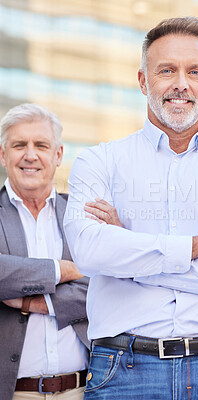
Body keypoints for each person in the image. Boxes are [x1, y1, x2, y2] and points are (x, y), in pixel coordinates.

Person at [64, 17, 198, 399]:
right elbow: (90, 252)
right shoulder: (98, 162)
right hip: (122, 370)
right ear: (143, 81)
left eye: (194, 71)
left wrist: (128, 254)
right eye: (167, 70)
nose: (181, 83)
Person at [0, 103, 90, 400]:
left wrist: (31, 301)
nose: (30, 155)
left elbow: (107, 284)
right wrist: (65, 271)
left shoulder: (82, 216)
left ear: (58, 155)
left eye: (40, 145)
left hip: (82, 390)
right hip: (13, 393)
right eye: (18, 145)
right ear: (3, 155)